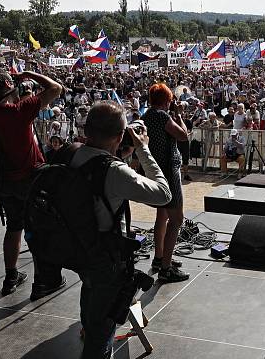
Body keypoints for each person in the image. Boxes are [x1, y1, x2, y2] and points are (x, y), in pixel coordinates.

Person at [73, 101, 173, 358]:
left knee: (90, 293)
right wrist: (143, 149)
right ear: (120, 136)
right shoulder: (115, 172)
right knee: (103, 329)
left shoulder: (69, 154)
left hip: (76, 246)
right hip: (105, 254)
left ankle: (88, 324)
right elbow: (163, 194)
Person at [0, 70, 65, 298]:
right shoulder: (19, 111)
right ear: (10, 87)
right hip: (30, 181)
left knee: (14, 228)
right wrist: (30, 73)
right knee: (38, 231)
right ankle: (43, 282)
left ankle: (10, 277)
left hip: (2, 182)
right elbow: (56, 88)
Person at [141, 83, 190, 282]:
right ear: (167, 100)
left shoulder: (146, 117)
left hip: (156, 170)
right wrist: (179, 117)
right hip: (169, 171)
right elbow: (183, 135)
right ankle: (166, 268)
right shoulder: (163, 116)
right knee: (176, 219)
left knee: (162, 214)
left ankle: (160, 257)